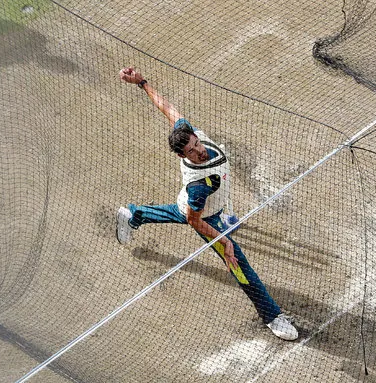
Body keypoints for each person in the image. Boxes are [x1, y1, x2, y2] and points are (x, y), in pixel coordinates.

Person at [116, 67, 298, 341]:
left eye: (196, 143)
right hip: (206, 216)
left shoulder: (190, 134)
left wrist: (142, 82)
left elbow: (168, 109)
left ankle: (133, 214)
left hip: (204, 206)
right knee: (239, 265)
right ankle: (272, 316)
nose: (199, 149)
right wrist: (225, 242)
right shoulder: (199, 185)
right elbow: (194, 219)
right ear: (182, 154)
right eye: (191, 150)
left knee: (177, 211)